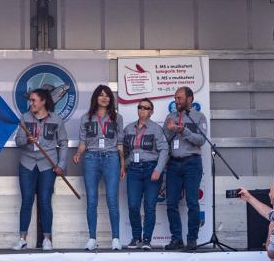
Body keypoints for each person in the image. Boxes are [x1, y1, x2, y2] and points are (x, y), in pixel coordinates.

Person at [12, 87, 67, 251]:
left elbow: (63, 143)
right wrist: (27, 141)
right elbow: (18, 141)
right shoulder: (25, 117)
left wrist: (61, 164)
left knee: (45, 201)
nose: (31, 103)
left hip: (48, 165)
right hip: (27, 164)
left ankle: (47, 239)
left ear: (43, 101)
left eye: (34, 100)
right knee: (27, 201)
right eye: (30, 100)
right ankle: (22, 239)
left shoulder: (56, 119)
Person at [71, 85, 123, 251]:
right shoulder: (86, 118)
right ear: (95, 98)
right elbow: (83, 142)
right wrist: (78, 153)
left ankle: (116, 239)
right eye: (101, 95)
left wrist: (123, 165)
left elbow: (120, 144)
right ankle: (92, 238)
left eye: (107, 95)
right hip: (91, 158)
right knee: (92, 200)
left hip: (111, 158)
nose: (104, 98)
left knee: (112, 200)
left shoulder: (117, 118)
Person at [162, 86, 208, 251]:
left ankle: (192, 239)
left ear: (190, 99)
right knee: (171, 203)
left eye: (179, 98)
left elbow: (201, 140)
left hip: (192, 163)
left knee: (192, 203)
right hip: (173, 164)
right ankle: (176, 239)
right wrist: (171, 130)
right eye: (175, 98)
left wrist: (184, 131)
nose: (176, 101)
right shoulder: (170, 117)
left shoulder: (199, 117)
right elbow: (164, 140)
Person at [121, 98, 168, 250]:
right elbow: (124, 149)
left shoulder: (156, 129)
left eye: (146, 108)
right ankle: (136, 238)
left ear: (151, 112)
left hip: (151, 169)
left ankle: (147, 239)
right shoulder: (128, 128)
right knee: (133, 206)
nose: (143, 110)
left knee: (149, 207)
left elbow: (164, 150)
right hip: (133, 171)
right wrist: (124, 165)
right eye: (140, 107)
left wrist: (158, 169)